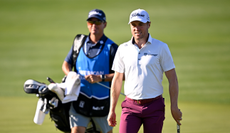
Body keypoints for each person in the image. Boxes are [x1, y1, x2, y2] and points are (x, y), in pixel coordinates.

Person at [107, 9, 182, 133]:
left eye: (140, 24)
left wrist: (174, 106)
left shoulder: (161, 47)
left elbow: (172, 78)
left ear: (149, 24)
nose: (137, 28)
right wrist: (112, 110)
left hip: (154, 106)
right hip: (130, 107)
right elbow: (117, 80)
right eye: (133, 25)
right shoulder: (123, 49)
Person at [62, 9, 118, 133]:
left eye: (98, 22)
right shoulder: (78, 43)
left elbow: (122, 75)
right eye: (91, 22)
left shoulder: (112, 48)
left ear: (105, 24)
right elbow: (66, 64)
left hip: (102, 101)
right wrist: (70, 74)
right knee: (76, 130)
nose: (94, 25)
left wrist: (101, 78)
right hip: (80, 98)